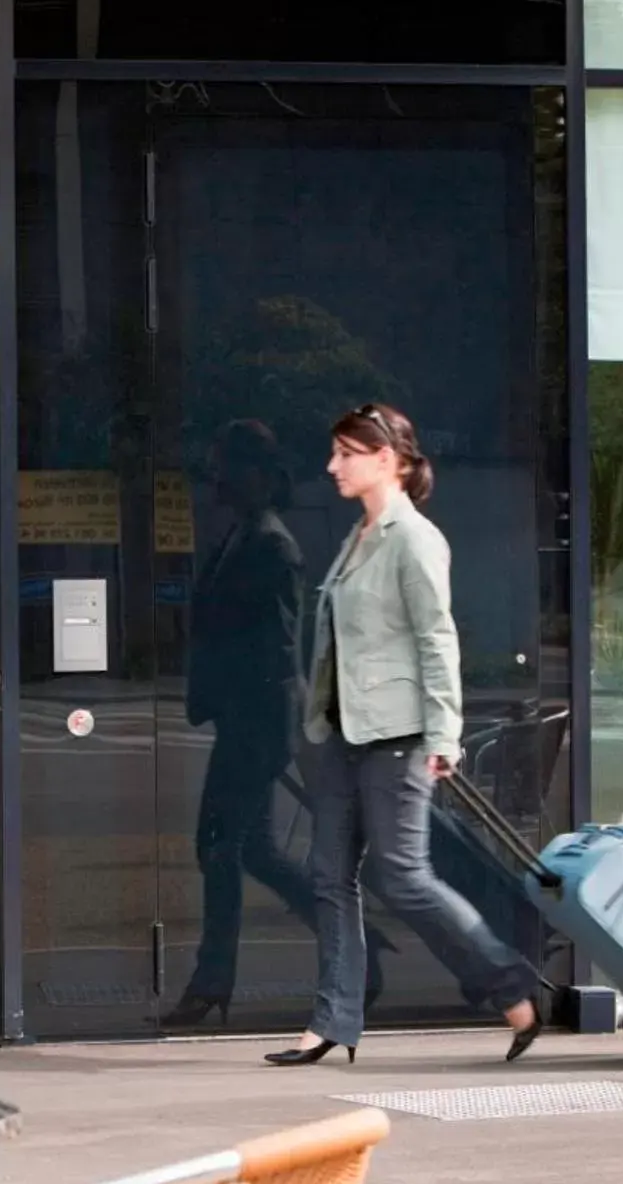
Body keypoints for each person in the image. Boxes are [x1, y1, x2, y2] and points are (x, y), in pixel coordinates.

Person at [266, 403, 544, 1066]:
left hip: (397, 733)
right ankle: (332, 1020)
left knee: (402, 874)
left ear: (385, 458)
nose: (332, 466)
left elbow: (436, 638)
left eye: (345, 454)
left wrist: (443, 733)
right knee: (328, 876)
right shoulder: (357, 536)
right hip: (337, 736)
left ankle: (511, 983)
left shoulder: (413, 538)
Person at [167, 422, 396, 1027]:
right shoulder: (244, 536)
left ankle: (211, 981)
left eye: (228, 466)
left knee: (219, 849)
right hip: (245, 720)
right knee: (256, 852)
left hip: (256, 724)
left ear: (259, 478)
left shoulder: (271, 546)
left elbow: (275, 649)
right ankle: (360, 950)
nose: (217, 478)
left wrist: (261, 726)